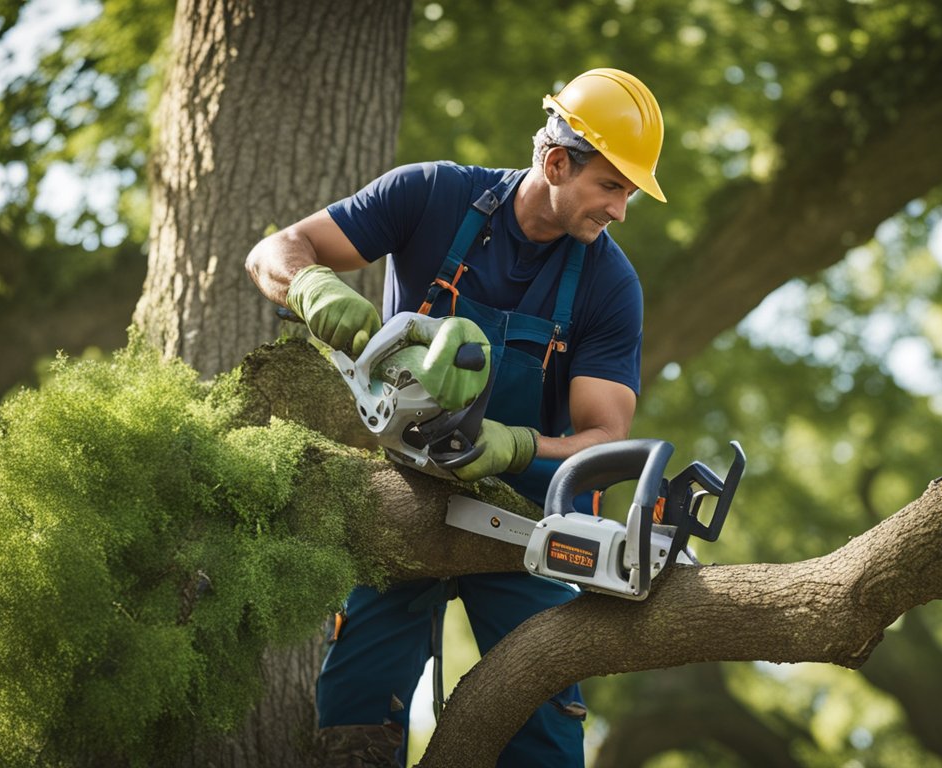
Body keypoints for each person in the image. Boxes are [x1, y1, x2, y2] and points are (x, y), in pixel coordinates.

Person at [245, 68, 666, 767]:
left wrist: (509, 445)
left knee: (545, 738)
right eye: (612, 186)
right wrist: (313, 286)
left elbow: (605, 437)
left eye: (628, 193)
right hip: (399, 499)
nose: (620, 210)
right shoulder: (432, 194)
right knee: (353, 724)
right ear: (556, 162)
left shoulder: (610, 283)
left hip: (520, 524)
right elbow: (274, 252)